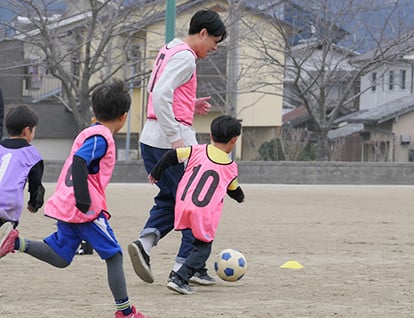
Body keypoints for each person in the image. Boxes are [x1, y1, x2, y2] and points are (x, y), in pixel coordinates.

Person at [0, 79, 146, 318]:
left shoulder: (88, 132)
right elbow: (80, 162)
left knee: (61, 256)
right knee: (114, 255)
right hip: (83, 208)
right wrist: (83, 200)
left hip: (65, 204)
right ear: (123, 116)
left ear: (94, 112)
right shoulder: (101, 137)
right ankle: (126, 312)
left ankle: (16, 242)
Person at [128, 9, 227, 286]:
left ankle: (148, 245)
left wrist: (189, 104)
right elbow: (161, 94)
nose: (214, 49)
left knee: (173, 199)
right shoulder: (186, 57)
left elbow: (156, 88)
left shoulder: (170, 48)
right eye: (214, 42)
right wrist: (175, 140)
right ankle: (185, 266)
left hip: (151, 139)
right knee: (194, 202)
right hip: (169, 142)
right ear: (203, 33)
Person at [148, 115, 245, 294]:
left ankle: (198, 270)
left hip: (183, 204)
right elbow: (234, 190)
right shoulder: (230, 166)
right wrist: (241, 197)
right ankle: (179, 277)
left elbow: (171, 155)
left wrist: (157, 172)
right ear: (234, 140)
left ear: (210, 135)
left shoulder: (196, 150)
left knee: (192, 238)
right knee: (203, 247)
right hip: (203, 213)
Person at [0, 105, 45, 228]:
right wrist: (34, 204)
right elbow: (35, 186)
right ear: (26, 131)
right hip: (8, 206)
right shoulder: (33, 156)